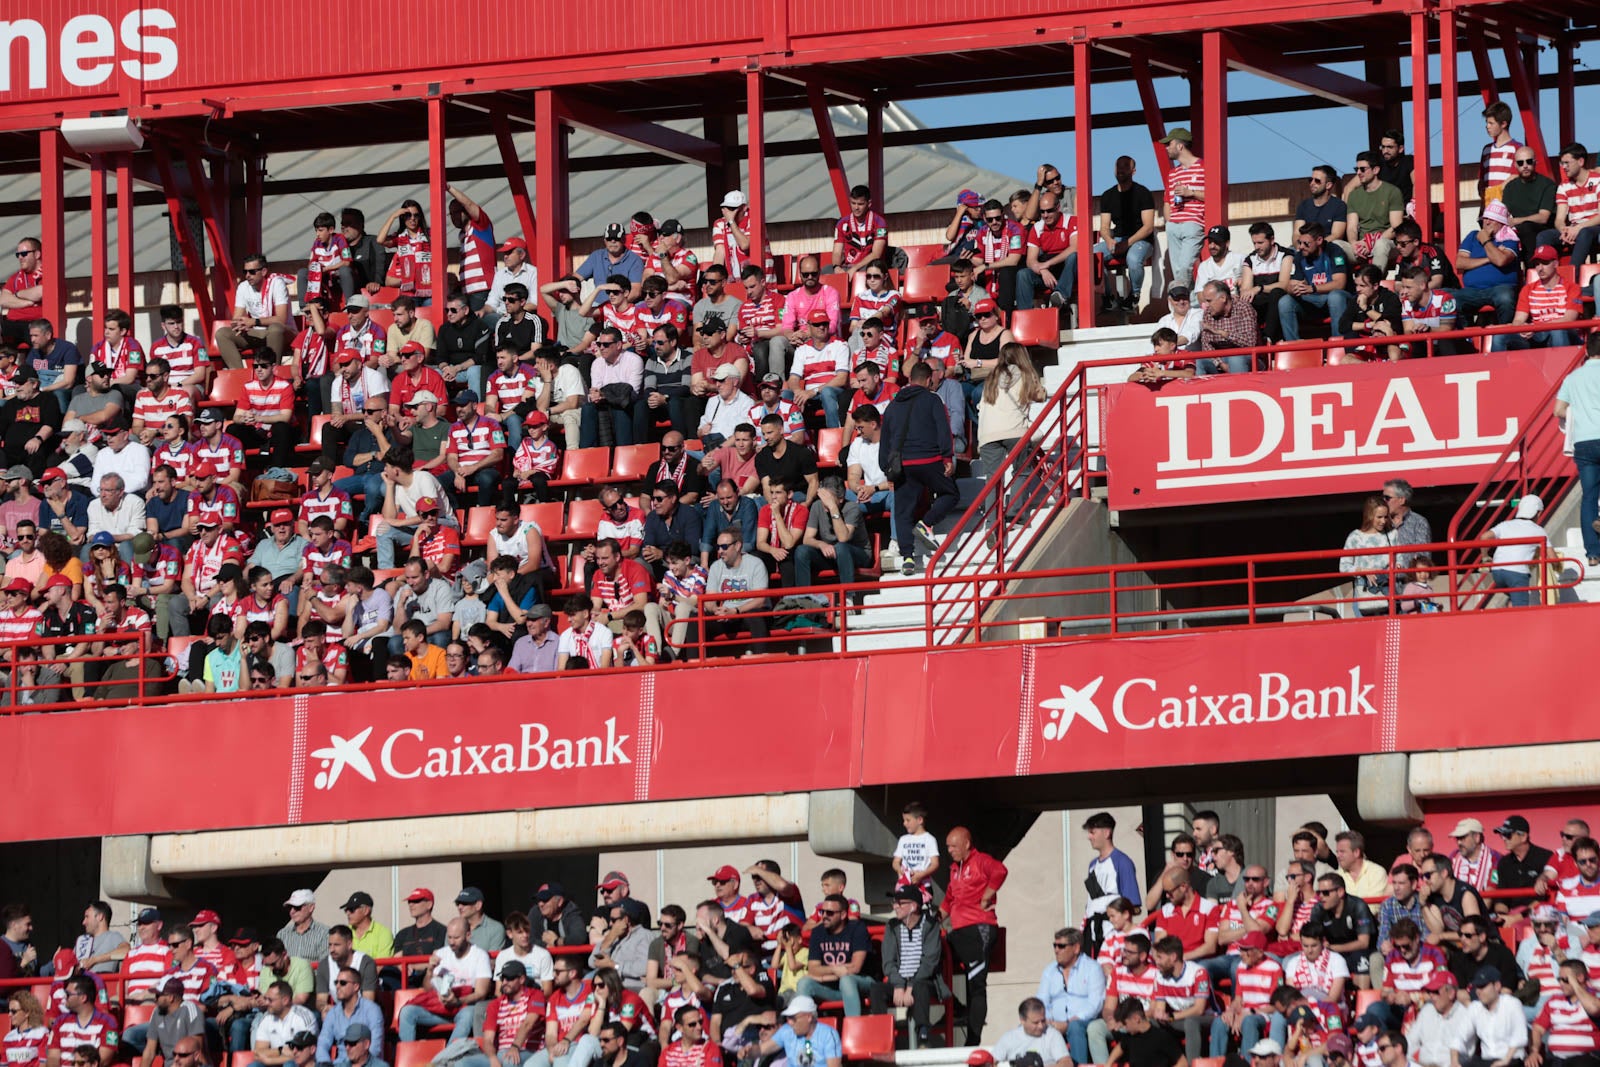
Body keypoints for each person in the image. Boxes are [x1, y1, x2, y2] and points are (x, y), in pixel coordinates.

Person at [882, 362, 959, 576]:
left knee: (903, 512)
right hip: (930, 459)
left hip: (903, 464)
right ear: (928, 380)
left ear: (909, 380)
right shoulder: (933, 399)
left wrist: (886, 468)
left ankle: (907, 557)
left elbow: (885, 439)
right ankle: (927, 523)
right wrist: (947, 457)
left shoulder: (893, 404)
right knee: (951, 493)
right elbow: (943, 428)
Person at [943, 826, 1008, 1045]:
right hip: (958, 931)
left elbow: (1000, 871)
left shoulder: (981, 861)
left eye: (953, 846)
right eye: (948, 846)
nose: (950, 850)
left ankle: (973, 1042)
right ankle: (955, 1005)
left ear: (967, 844)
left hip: (978, 929)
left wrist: (987, 896)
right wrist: (933, 920)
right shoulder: (954, 869)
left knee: (976, 984)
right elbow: (948, 900)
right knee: (934, 955)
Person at [399, 919, 492, 1042]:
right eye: (449, 937)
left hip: (463, 1006)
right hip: (440, 1007)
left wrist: (457, 1001)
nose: (452, 942)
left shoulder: (480, 956)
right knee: (407, 1011)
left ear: (468, 935)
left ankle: (447, 1057)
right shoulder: (442, 953)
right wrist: (430, 970)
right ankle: (408, 1057)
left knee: (469, 1013)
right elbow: (428, 989)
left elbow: (481, 993)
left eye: (456, 938)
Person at [1557, 334, 1600, 567]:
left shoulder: (1573, 378)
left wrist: (1579, 414)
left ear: (1586, 351)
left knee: (1589, 497)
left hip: (1583, 441)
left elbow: (1558, 410)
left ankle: (1593, 553)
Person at [1098, 156, 1159, 312]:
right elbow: (1104, 227)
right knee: (1092, 256)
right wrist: (1109, 240)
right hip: (1118, 239)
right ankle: (1108, 297)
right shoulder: (1107, 195)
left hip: (1142, 240)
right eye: (1118, 166)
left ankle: (1134, 296)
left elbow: (1148, 227)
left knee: (1133, 258)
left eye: (1125, 166)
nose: (1121, 170)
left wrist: (1126, 243)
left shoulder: (1143, 193)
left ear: (1133, 171)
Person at [1493, 245, 1582, 351]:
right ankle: (1498, 367)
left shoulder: (1572, 288)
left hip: (1563, 333)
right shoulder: (1528, 289)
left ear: (1556, 264)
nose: (1540, 268)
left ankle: (1562, 366)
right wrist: (1524, 328)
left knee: (1558, 330)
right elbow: (1518, 320)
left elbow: (1569, 319)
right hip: (1536, 334)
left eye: (1545, 263)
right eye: (1537, 264)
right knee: (1499, 337)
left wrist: (1536, 328)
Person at [1039, 927, 1106, 1066]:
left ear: (1076, 948)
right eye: (1055, 945)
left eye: (1061, 946)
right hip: (1054, 1022)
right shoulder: (1049, 971)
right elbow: (1041, 1001)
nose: (1056, 950)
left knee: (1074, 1027)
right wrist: (1046, 1020)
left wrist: (1068, 1023)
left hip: (1082, 1021)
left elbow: (1095, 1004)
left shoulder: (1092, 968)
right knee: (1030, 1026)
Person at [1279, 223, 1351, 343]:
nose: (1301, 247)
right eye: (1299, 242)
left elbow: (1340, 283)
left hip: (1337, 300)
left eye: (1306, 243)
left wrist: (1312, 288)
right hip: (1313, 301)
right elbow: (1290, 285)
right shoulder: (1299, 256)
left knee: (1336, 296)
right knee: (1285, 301)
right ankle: (1292, 347)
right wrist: (1293, 288)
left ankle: (1339, 344)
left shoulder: (1334, 251)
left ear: (1319, 240)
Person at [1453, 201, 1522, 325]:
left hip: (1500, 289)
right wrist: (1489, 259)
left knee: (1505, 298)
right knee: (1451, 299)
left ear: (1501, 222)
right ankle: (1467, 337)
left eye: (1491, 219)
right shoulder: (1473, 236)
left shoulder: (1510, 238)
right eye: (1485, 218)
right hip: (1472, 291)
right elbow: (1460, 262)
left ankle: (1505, 334)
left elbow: (1501, 261)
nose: (1486, 222)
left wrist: (1485, 241)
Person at [1484, 494, 1551, 607]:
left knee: (1513, 597)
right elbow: (1553, 558)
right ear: (1538, 513)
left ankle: (1510, 607)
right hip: (1517, 573)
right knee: (1521, 608)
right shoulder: (1539, 530)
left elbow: (1484, 537)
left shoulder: (1505, 525)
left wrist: (1485, 557)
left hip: (1497, 572)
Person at [1162, 129, 1207, 288]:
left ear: (1180, 146)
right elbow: (1167, 201)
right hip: (1174, 225)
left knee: (1184, 268)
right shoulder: (1173, 173)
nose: (1167, 147)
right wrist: (1170, 222)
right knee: (1178, 270)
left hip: (1193, 223)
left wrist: (1191, 193)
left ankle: (1185, 304)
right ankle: (1190, 304)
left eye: (1170, 144)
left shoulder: (1204, 167)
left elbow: (1215, 196)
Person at [737, 996, 839, 1067]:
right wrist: (749, 1052)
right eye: (788, 1018)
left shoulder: (828, 1035)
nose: (789, 1022)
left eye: (793, 1018)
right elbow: (761, 1050)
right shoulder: (787, 1031)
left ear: (808, 1017)